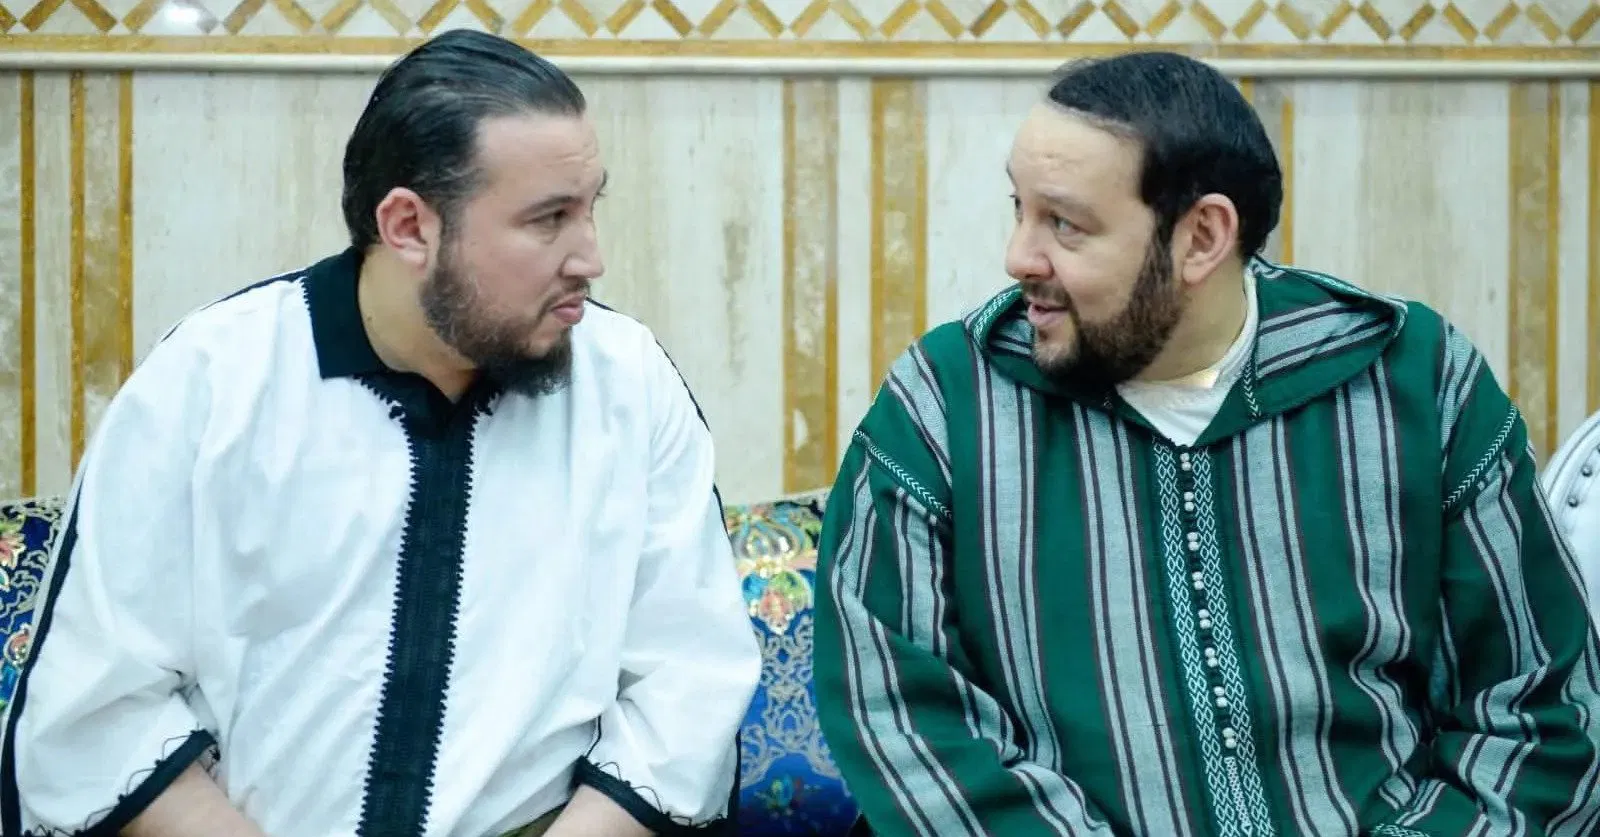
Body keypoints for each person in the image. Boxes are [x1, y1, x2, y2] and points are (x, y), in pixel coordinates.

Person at [813, 51, 1600, 837]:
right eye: (1020, 208)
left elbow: (1543, 717)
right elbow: (904, 720)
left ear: (1201, 237)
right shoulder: (945, 408)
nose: (1018, 256)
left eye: (1065, 224)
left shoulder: (1417, 385)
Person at [1, 29, 760, 837]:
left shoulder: (629, 386)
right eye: (550, 219)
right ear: (408, 225)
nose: (590, 257)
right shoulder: (210, 383)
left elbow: (688, 691)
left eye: (590, 208)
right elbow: (95, 713)